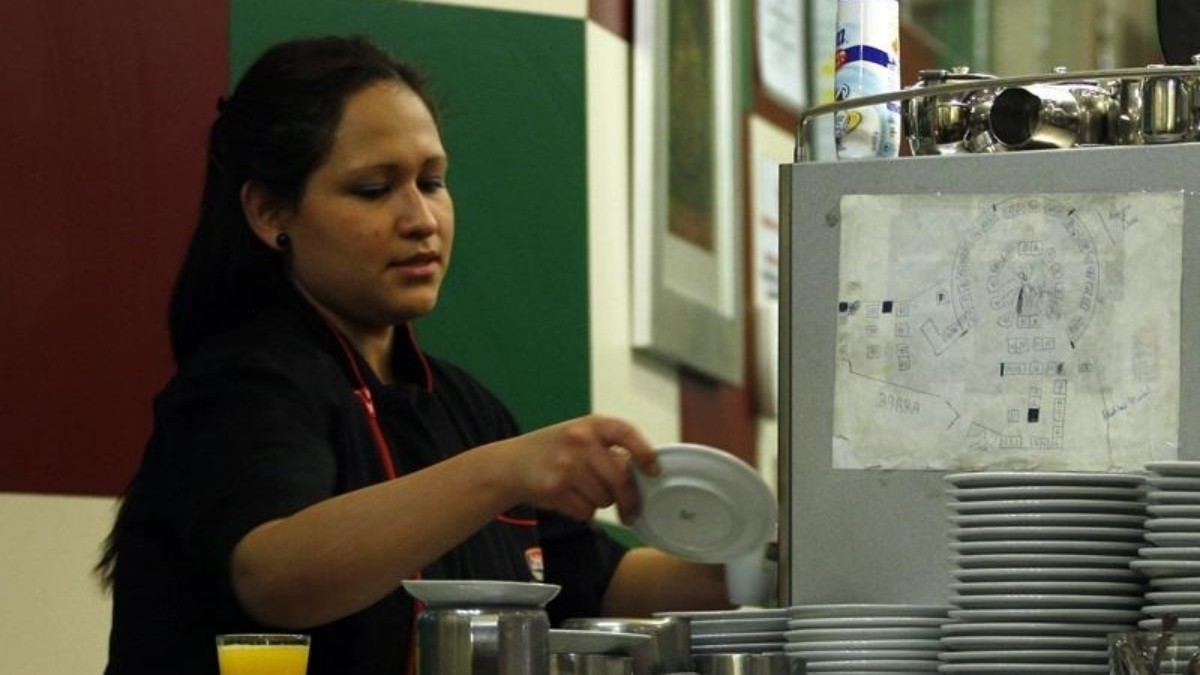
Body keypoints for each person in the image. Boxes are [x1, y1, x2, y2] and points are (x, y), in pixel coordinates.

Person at [98, 35, 732, 675]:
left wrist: (772, 559)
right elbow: (277, 575)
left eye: (432, 182)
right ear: (269, 212)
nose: (422, 218)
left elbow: (606, 582)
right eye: (375, 189)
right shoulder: (241, 385)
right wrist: (505, 471)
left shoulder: (461, 405)